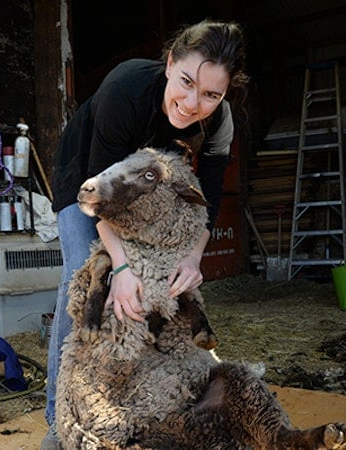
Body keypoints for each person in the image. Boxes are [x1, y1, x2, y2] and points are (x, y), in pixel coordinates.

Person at [41, 19, 249, 449]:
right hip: (87, 179)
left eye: (211, 94)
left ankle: (134, 405)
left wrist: (192, 260)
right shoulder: (126, 91)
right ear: (170, 63)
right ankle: (57, 417)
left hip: (151, 196)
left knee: (151, 291)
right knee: (85, 278)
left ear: (225, 95)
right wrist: (118, 265)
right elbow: (100, 199)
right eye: (186, 82)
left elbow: (203, 207)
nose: (192, 104)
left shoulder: (219, 125)